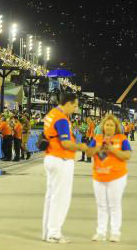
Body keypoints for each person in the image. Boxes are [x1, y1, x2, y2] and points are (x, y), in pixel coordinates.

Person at [42, 92, 88, 244]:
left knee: (51, 197)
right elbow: (66, 143)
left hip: (51, 157)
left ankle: (47, 232)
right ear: (67, 103)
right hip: (60, 159)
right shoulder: (61, 119)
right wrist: (81, 147)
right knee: (61, 198)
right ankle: (54, 233)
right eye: (75, 105)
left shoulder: (51, 114)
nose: (75, 109)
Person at [86, 114, 132, 242]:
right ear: (103, 126)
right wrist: (97, 148)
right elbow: (88, 152)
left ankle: (115, 232)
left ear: (116, 127)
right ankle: (100, 232)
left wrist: (112, 150)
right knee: (101, 205)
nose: (109, 127)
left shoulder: (122, 139)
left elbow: (127, 155)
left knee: (114, 205)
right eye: (107, 125)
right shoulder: (97, 138)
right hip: (99, 176)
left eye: (111, 125)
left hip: (117, 177)